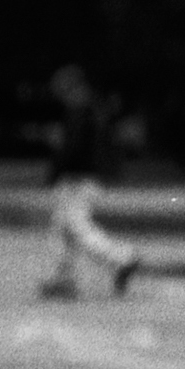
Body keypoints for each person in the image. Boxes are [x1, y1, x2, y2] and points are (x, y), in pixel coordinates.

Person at [37, 69, 137, 300]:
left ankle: (123, 257)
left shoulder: (80, 113)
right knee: (63, 229)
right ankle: (62, 280)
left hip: (77, 179)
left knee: (77, 227)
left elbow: (71, 149)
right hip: (86, 177)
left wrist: (55, 172)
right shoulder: (92, 111)